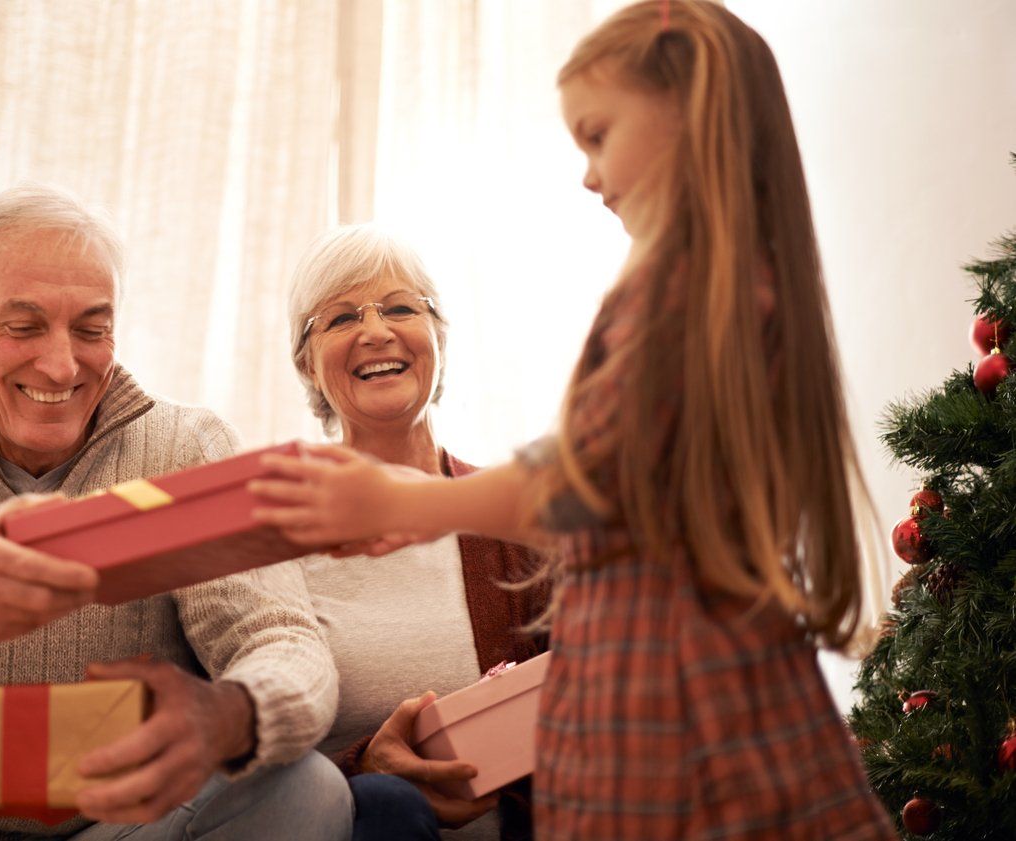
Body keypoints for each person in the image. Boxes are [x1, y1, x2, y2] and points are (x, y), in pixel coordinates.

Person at [249, 1, 899, 838]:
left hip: (667, 698)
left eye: (598, 136)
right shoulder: (714, 289)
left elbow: (594, 479)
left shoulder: (683, 295)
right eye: (341, 317)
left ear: (685, 115)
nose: (589, 175)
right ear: (307, 358)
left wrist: (409, 506)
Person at [0, 184, 350, 841]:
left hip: (121, 825)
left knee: (305, 788)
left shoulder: (186, 449)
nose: (61, 363)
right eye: (22, 327)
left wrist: (227, 711)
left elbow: (287, 643)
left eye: (91, 329)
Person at [283, 225, 548, 841]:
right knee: (383, 802)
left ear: (439, 340)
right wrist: (360, 771)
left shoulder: (513, 516)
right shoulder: (275, 544)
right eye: (341, 317)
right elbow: (242, 772)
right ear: (308, 363)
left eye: (401, 307)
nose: (376, 332)